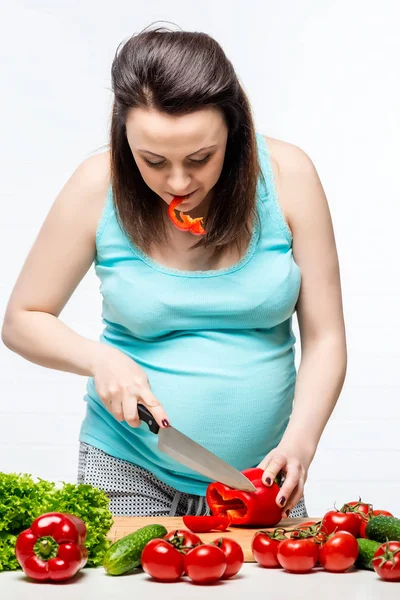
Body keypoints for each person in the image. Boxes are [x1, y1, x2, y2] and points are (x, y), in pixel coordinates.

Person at [1, 26, 347, 520]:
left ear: (235, 130)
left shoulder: (290, 177)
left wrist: (300, 444)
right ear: (124, 137)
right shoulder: (96, 186)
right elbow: (22, 318)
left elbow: (327, 337)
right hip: (127, 467)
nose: (179, 182)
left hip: (262, 477)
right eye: (154, 160)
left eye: (201, 158)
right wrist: (101, 360)